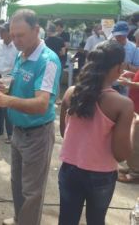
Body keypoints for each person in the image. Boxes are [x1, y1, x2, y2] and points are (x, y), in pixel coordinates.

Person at [0, 9, 62, 225]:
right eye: (13, 34)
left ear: (36, 30)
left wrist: (7, 101)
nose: (15, 40)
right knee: (17, 184)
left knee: (32, 191)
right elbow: (20, 84)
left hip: (37, 134)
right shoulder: (22, 54)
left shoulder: (48, 61)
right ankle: (21, 219)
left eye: (20, 35)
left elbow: (41, 103)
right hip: (19, 130)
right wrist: (7, 86)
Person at [58, 40, 133, 225]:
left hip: (69, 169)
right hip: (101, 175)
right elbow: (121, 154)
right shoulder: (122, 104)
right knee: (96, 220)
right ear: (119, 67)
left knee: (66, 220)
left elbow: (63, 132)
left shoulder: (70, 92)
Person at [116, 30, 139, 183]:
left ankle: (135, 171)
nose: (137, 44)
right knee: (133, 136)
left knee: (136, 138)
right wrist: (131, 75)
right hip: (135, 103)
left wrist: (129, 83)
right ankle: (132, 165)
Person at [111, 21, 139, 95]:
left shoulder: (134, 48)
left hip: (125, 86)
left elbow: (137, 70)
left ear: (127, 33)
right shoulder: (109, 46)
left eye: (121, 35)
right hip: (109, 84)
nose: (118, 37)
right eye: (116, 35)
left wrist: (127, 66)